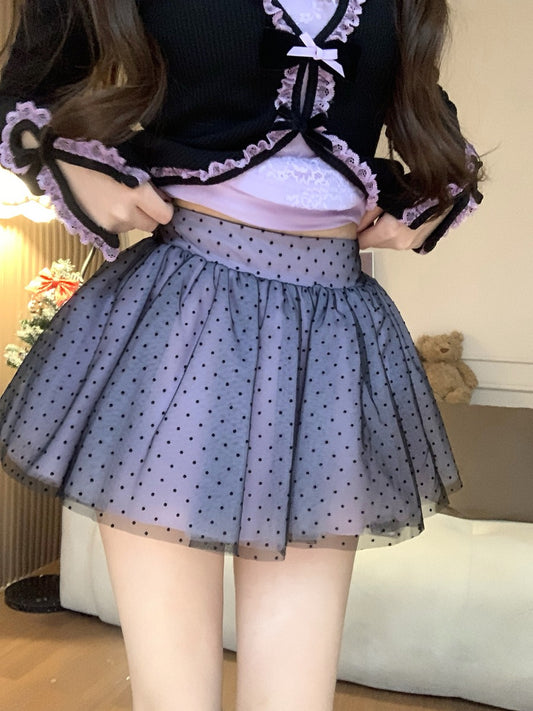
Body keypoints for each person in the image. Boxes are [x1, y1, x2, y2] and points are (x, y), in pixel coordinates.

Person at [0, 1, 483, 710]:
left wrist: (435, 193)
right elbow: (23, 92)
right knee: (173, 696)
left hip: (331, 334)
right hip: (183, 319)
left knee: (296, 697)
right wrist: (73, 170)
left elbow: (424, 107)